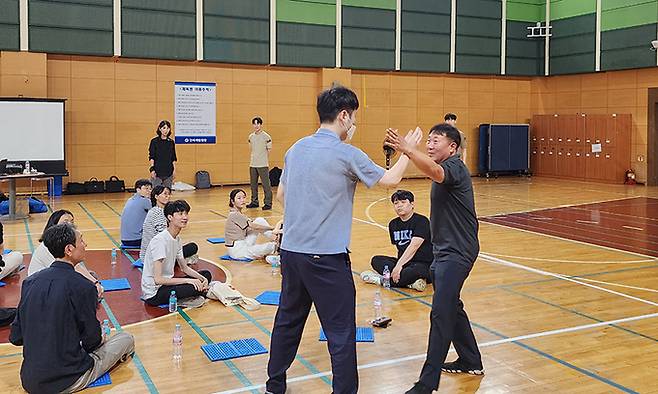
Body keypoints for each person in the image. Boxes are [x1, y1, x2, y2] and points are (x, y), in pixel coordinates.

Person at [266, 85, 420, 394]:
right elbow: (390, 180)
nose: (354, 125)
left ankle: (274, 384)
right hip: (326, 258)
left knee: (287, 321)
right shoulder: (347, 153)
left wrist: (306, 215)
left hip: (292, 255)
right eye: (354, 119)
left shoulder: (295, 149)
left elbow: (281, 195)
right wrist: (408, 150)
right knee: (340, 332)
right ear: (344, 115)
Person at [385, 123, 484, 394]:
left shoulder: (454, 168)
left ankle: (426, 384)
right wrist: (410, 151)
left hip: (458, 252)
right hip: (443, 252)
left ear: (452, 147)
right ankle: (470, 359)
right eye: (427, 140)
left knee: (440, 312)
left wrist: (407, 148)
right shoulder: (443, 168)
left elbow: (435, 170)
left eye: (436, 140)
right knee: (451, 305)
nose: (429, 144)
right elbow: (430, 168)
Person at [10, 223, 135, 393]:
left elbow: (16, 337)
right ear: (69, 249)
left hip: (30, 380)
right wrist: (100, 339)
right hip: (68, 379)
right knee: (126, 339)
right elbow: (92, 341)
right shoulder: (83, 286)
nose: (85, 244)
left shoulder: (30, 282)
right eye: (81, 240)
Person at [141, 200, 211, 308]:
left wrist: (202, 279)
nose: (185, 217)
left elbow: (185, 268)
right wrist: (188, 281)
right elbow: (158, 279)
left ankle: (200, 289)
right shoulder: (160, 241)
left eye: (186, 213)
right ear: (170, 217)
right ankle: (199, 291)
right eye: (180, 214)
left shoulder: (177, 239)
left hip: (167, 285)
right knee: (192, 286)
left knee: (206, 274)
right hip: (155, 293)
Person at [360, 190, 432, 292]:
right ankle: (410, 283)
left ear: (412, 204)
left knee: (413, 272)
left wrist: (398, 266)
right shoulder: (393, 224)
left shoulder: (422, 221)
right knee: (376, 260)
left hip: (423, 264)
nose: (399, 206)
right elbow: (400, 248)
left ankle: (380, 280)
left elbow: (413, 247)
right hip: (404, 263)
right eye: (396, 203)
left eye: (403, 202)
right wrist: (399, 265)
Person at [28, 210, 104, 297]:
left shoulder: (62, 245)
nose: (70, 225)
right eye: (65, 222)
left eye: (72, 222)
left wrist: (90, 278)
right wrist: (95, 283)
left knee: (89, 276)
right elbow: (72, 269)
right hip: (41, 289)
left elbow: (74, 266)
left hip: (52, 281)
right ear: (54, 225)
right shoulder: (47, 247)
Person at [139, 185, 198, 262]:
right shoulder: (158, 212)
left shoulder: (156, 210)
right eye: (165, 194)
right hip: (154, 257)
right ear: (156, 196)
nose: (167, 196)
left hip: (149, 254)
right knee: (192, 247)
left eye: (169, 194)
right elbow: (163, 237)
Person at [224, 188, 276, 260]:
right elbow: (254, 226)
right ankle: (277, 242)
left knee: (259, 220)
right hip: (238, 251)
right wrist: (272, 227)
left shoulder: (239, 213)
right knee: (271, 246)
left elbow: (251, 227)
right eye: (239, 198)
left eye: (244, 197)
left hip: (243, 243)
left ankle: (275, 238)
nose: (242, 200)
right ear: (232, 201)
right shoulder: (234, 214)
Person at [246, 117, 273, 210]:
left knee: (266, 185)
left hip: (263, 165)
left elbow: (269, 150)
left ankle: (268, 203)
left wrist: (263, 159)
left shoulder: (266, 137)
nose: (256, 126)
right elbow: (251, 149)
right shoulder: (251, 137)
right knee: (253, 185)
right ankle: (254, 201)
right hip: (253, 164)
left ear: (261, 125)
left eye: (258, 124)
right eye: (254, 124)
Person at [120, 179, 153, 248]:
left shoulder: (130, 199)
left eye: (150, 189)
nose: (149, 191)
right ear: (138, 190)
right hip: (136, 240)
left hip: (124, 239)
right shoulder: (145, 201)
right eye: (146, 189)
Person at [149, 120, 178, 189]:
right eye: (164, 128)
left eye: (168, 128)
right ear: (160, 129)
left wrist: (174, 170)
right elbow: (152, 156)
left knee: (167, 193)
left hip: (168, 171)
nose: (166, 130)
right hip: (157, 171)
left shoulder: (171, 142)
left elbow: (173, 157)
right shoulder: (154, 141)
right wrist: (152, 170)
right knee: (156, 192)